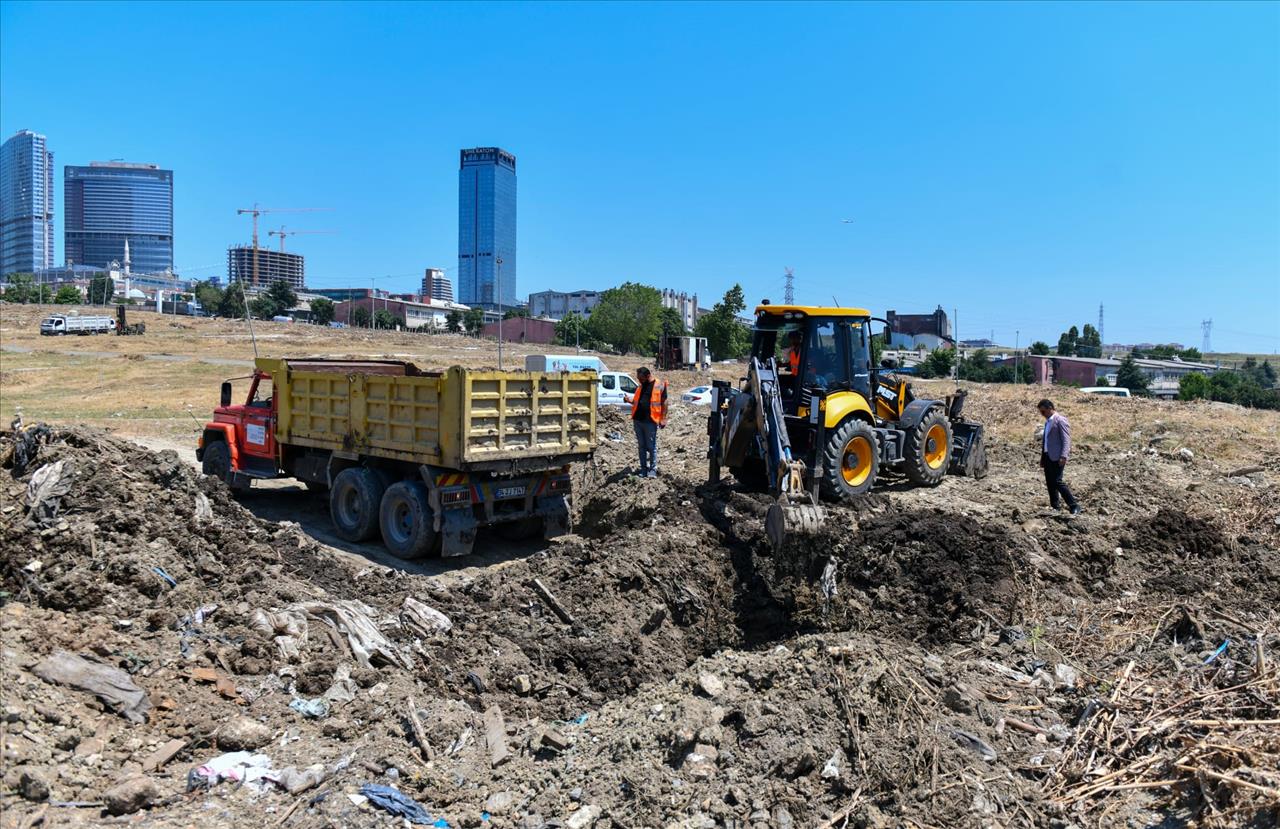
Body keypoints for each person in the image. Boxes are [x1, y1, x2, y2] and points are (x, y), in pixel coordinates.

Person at [1037, 399, 1081, 514]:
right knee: (1050, 483)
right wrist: (1043, 457)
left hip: (1057, 457)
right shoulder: (1047, 422)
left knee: (1057, 481)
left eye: (1043, 412)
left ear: (1050, 408)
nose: (1042, 414)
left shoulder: (1060, 420)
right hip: (1047, 456)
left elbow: (1066, 440)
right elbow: (1045, 441)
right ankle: (1055, 507)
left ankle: (1074, 505)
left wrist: (1064, 456)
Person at [625, 366, 668, 478]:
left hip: (650, 421)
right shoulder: (640, 386)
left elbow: (664, 402)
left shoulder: (659, 385)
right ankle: (643, 470)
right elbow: (638, 402)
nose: (639, 381)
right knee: (641, 447)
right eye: (638, 379)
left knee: (651, 446)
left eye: (641, 379)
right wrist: (629, 400)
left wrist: (663, 418)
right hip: (638, 420)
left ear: (648, 376)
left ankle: (652, 470)